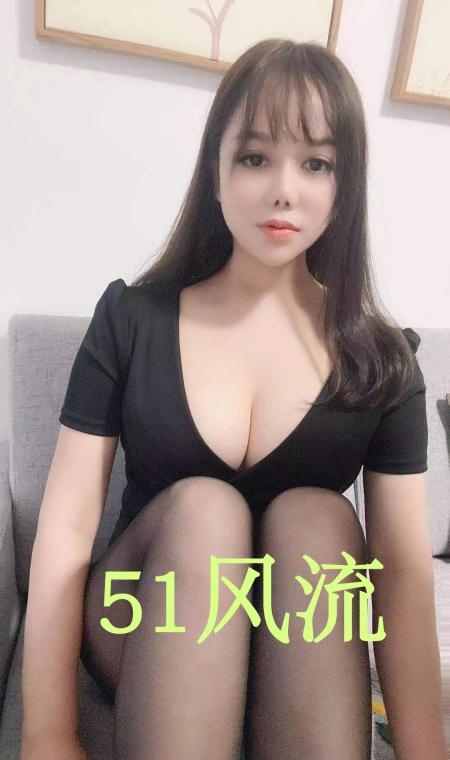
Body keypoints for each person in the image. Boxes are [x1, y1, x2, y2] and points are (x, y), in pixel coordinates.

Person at [19, 39, 447, 760]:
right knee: (205, 508)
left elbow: (403, 572)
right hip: (143, 621)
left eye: (317, 164)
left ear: (345, 187)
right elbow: (65, 528)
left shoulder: (382, 359)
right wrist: (47, 733)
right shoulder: (132, 319)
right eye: (254, 157)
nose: (284, 189)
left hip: (295, 644)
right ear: (214, 174)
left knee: (317, 516)